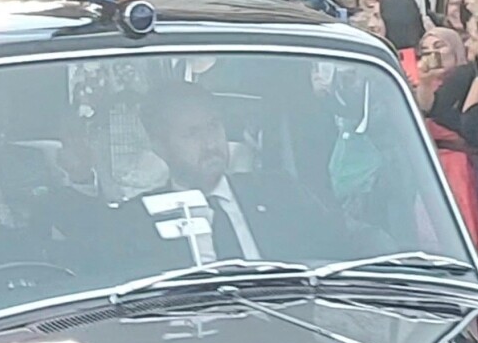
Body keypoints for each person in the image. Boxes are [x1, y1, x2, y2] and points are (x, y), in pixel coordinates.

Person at [116, 81, 353, 273]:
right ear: (160, 147)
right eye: (192, 134)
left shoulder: (280, 193)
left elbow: (339, 252)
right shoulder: (139, 223)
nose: (210, 143)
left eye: (213, 126)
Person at [417, 28, 478, 253]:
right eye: (426, 50)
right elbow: (423, 111)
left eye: (439, 46)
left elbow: (459, 119)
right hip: (429, 161)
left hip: (459, 163)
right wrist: (424, 83)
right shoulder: (419, 83)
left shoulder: (469, 76)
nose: (432, 54)